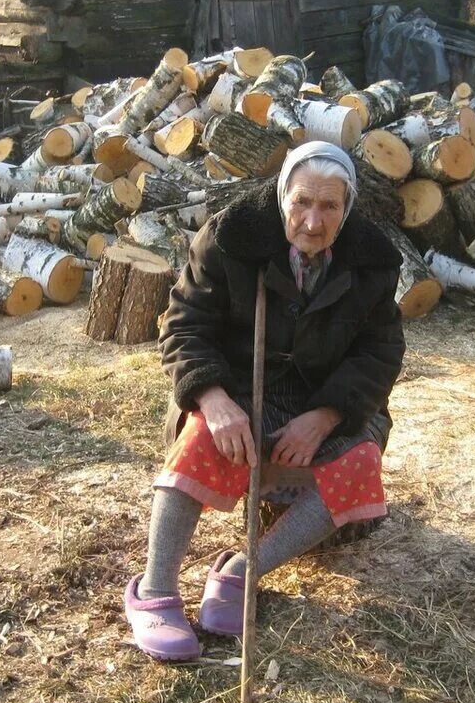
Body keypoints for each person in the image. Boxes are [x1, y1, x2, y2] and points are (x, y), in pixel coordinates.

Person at [123, 142, 406, 661]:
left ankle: (243, 571)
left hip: (322, 398)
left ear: (348, 208)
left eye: (329, 207)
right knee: (204, 437)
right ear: (282, 197)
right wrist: (213, 398)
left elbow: (379, 353)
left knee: (359, 461)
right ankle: (154, 589)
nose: (313, 222)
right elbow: (184, 326)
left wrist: (325, 416)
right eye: (302, 203)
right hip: (237, 387)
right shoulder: (233, 238)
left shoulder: (373, 260)